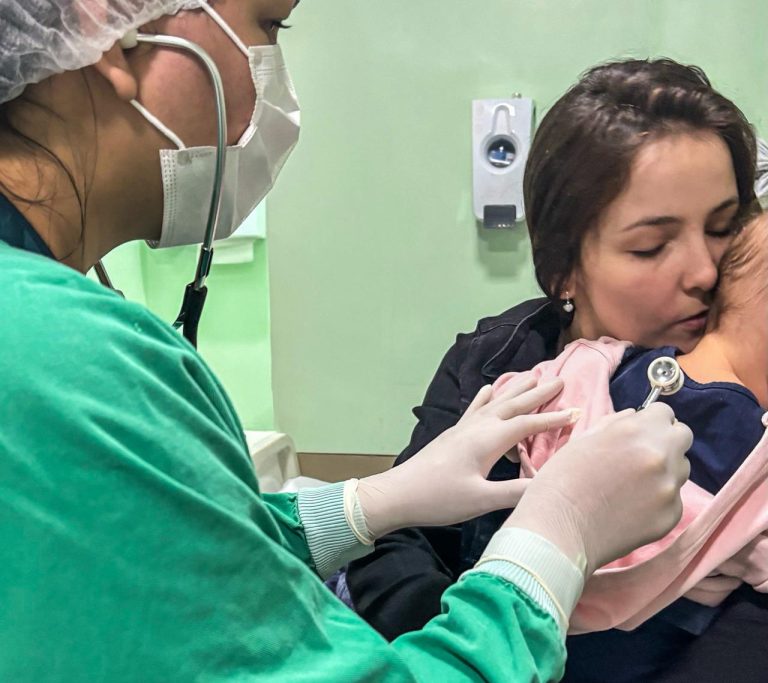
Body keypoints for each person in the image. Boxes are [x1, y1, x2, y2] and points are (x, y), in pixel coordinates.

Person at [0, 2, 693, 681]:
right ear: (109, 32)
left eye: (726, 231)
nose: (702, 271)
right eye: (269, 27)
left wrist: (372, 502)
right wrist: (557, 536)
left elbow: (177, 553)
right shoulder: (57, 358)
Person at [346, 57, 761, 680]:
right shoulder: (498, 364)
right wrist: (481, 646)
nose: (704, 272)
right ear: (564, 269)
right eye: (651, 246)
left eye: (726, 228)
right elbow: (396, 546)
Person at [485, 212, 768, 680]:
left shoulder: (606, 366)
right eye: (649, 245)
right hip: (642, 652)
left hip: (532, 619)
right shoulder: (746, 440)